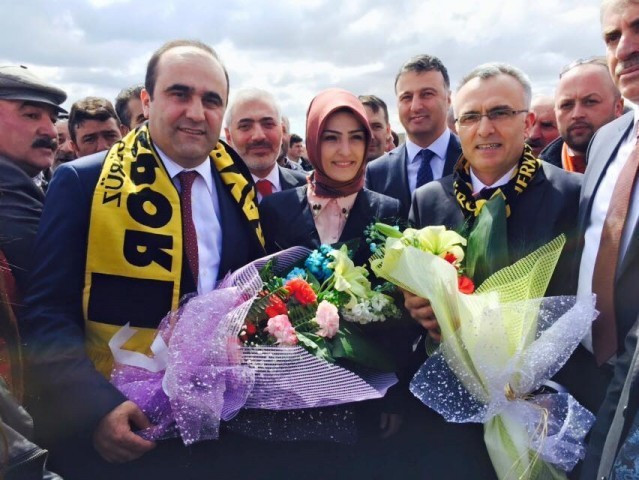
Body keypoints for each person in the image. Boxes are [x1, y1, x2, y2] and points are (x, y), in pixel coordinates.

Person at [20, 39, 265, 479]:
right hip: (123, 435)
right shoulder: (83, 182)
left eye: (211, 100)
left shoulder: (238, 186)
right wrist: (96, 409)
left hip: (223, 434)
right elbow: (46, 314)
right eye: (179, 94)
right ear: (147, 101)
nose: (196, 113)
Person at [405, 62, 582, 479]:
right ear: (456, 126)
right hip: (449, 416)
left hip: (539, 407)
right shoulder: (429, 200)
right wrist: (413, 306)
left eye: (500, 112)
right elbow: (408, 296)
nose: (484, 129)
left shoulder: (571, 195)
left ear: (528, 123)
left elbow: (582, 306)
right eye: (470, 117)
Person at [577, 1, 639, 477]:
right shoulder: (606, 139)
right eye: (612, 37)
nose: (625, 49)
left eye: (638, 29)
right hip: (583, 372)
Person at [260, 88, 400, 260]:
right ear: (313, 142)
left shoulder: (388, 211)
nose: (345, 151)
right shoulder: (275, 210)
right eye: (331, 138)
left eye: (356, 137)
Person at [365, 54, 462, 218]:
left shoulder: (472, 159)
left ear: (448, 99)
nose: (415, 106)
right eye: (407, 97)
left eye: (427, 94)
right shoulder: (377, 172)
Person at [0, 65, 66, 295]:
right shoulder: (7, 189)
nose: (51, 131)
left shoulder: (46, 183)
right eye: (31, 115)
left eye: (53, 119)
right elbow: (59, 280)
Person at [541, 57, 623, 173]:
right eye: (566, 105)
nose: (577, 114)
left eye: (590, 101)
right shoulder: (534, 178)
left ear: (618, 107)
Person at [224, 88, 306, 203]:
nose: (259, 136)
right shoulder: (216, 195)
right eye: (245, 126)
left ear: (282, 131)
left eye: (268, 124)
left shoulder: (307, 188)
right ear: (228, 137)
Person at [358, 94, 392, 161]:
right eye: (364, 127)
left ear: (388, 131)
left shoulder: (403, 167)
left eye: (377, 127)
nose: (371, 136)